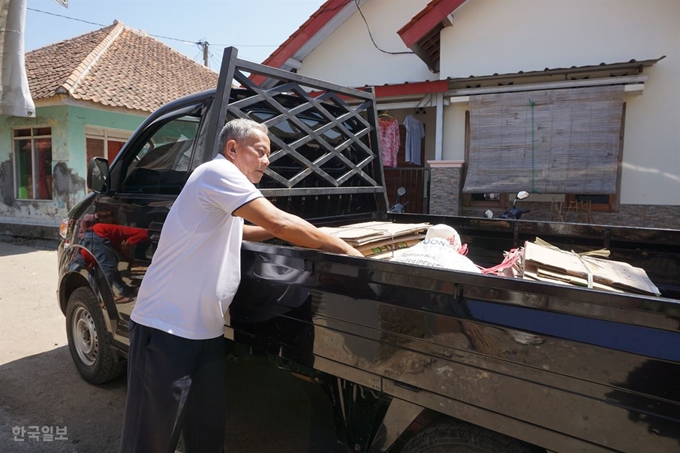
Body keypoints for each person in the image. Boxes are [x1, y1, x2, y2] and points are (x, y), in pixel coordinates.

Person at [119, 118, 362, 453]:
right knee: (151, 441)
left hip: (205, 335)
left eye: (269, 156)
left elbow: (244, 230)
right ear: (232, 148)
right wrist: (342, 247)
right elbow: (277, 220)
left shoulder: (225, 195)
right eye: (260, 152)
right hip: (166, 331)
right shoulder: (216, 173)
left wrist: (288, 231)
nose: (266, 161)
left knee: (207, 436)